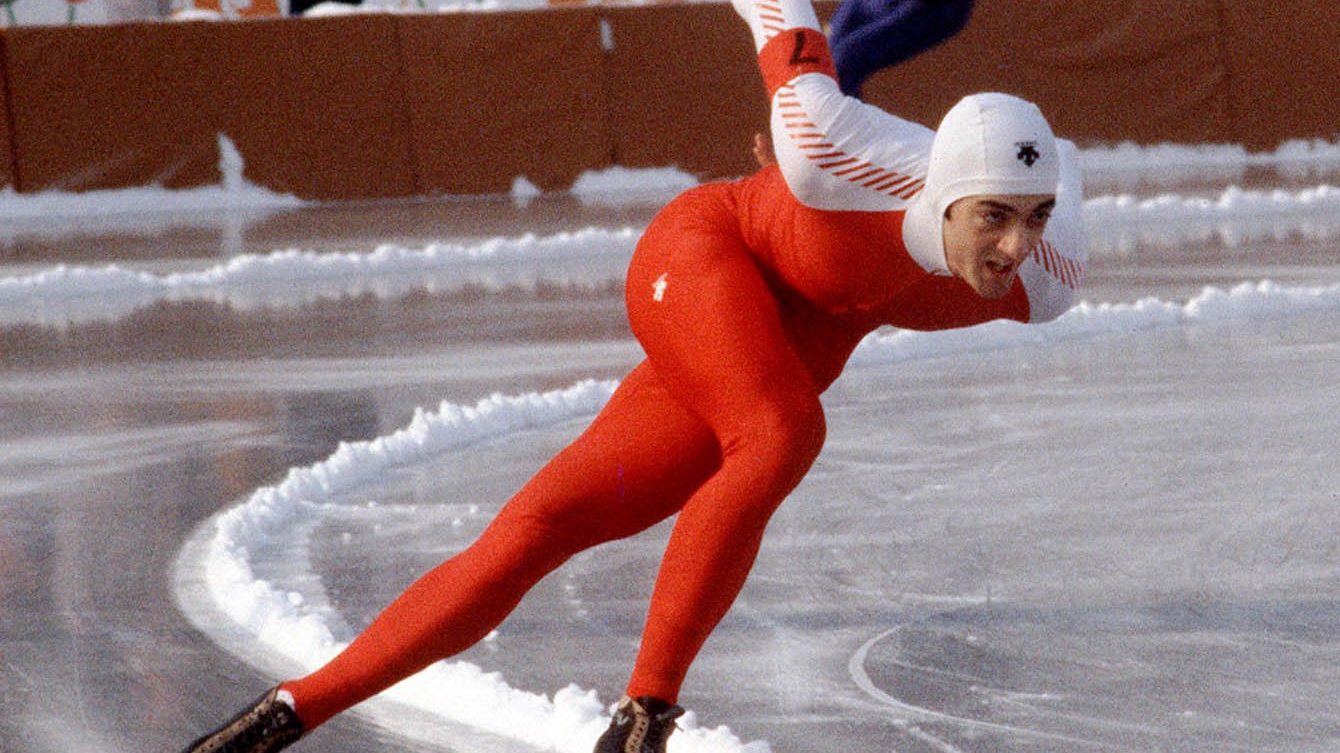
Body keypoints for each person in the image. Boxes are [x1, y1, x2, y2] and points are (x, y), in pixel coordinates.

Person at [180, 0, 1086, 749]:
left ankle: (287, 711)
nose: (1014, 244)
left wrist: (1040, 204)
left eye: (1035, 217)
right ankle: (646, 712)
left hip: (788, 338)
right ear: (941, 194)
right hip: (705, 258)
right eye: (994, 217)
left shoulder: (1044, 279)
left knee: (540, 526)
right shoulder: (825, 145)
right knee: (781, 433)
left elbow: (1050, 204)